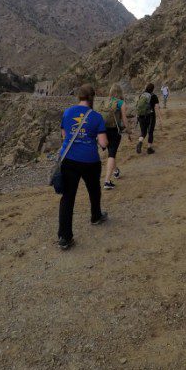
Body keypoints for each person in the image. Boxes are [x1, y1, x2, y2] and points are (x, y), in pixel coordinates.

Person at [57, 83, 109, 250]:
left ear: (79, 96)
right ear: (92, 98)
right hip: (90, 161)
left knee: (67, 197)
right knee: (94, 190)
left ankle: (65, 237)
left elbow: (64, 135)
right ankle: (95, 216)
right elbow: (103, 143)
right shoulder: (96, 117)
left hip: (69, 159)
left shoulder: (67, 112)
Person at [101, 83, 132, 190]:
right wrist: (128, 130)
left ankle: (116, 171)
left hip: (103, 131)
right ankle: (107, 181)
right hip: (114, 131)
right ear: (120, 92)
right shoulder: (121, 103)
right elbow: (124, 119)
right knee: (112, 154)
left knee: (111, 152)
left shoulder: (107, 102)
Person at [136, 83, 161, 155]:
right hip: (150, 116)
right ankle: (149, 148)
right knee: (150, 132)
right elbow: (157, 107)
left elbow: (138, 106)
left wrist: (137, 116)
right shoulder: (154, 96)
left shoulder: (142, 95)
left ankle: (140, 142)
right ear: (153, 89)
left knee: (143, 132)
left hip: (141, 116)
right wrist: (160, 118)